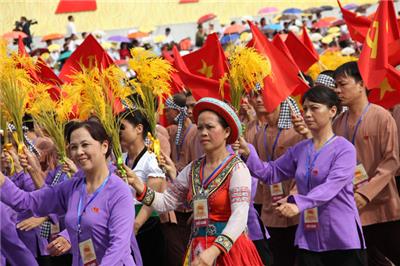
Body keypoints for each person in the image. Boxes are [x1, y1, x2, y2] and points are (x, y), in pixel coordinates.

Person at [121, 97, 263, 265]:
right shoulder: (193, 168)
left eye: (210, 127)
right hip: (199, 249)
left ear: (226, 132)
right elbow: (166, 202)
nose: (203, 132)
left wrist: (213, 251)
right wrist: (138, 184)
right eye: (200, 127)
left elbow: (239, 217)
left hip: (229, 252)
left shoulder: (237, 169)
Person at [239, 86, 367, 266]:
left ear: (332, 111)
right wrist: (248, 152)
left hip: (341, 239)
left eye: (314, 108)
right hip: (309, 237)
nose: (307, 114)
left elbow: (331, 186)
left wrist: (297, 202)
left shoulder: (344, 149)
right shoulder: (301, 149)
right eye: (305, 108)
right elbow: (271, 173)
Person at [0, 120, 139, 266]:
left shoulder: (119, 191)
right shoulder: (72, 187)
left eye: (85, 145)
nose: (79, 152)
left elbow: (118, 247)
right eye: (74, 147)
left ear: (104, 146)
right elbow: (27, 201)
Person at [333, 62, 400, 266]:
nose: (337, 90)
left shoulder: (381, 117)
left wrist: (365, 193)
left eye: (342, 84)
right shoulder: (337, 123)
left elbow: (391, 161)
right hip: (351, 209)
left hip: (383, 208)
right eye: (335, 85)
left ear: (361, 84)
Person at [248, 97, 303, 266]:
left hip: (295, 209)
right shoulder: (259, 133)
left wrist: (294, 198)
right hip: (268, 206)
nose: (258, 99)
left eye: (263, 94)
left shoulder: (296, 132)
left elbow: (302, 170)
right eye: (255, 94)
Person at [119, 110, 166, 266]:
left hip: (145, 225)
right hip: (125, 223)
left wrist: (136, 225)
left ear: (139, 129)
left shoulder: (152, 159)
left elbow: (152, 199)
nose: (118, 132)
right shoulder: (122, 159)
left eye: (122, 127)